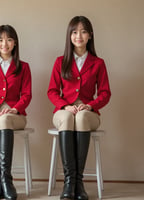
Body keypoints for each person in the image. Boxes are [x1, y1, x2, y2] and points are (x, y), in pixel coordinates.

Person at [47, 16, 111, 200]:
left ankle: (78, 182)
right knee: (67, 118)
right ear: (69, 36)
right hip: (63, 111)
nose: (78, 36)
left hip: (88, 113)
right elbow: (52, 91)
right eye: (74, 32)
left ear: (90, 35)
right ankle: (69, 183)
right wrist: (65, 106)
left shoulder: (98, 63)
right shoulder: (60, 62)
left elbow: (105, 93)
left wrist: (90, 105)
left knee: (81, 117)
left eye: (83, 31)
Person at [0, 25, 32, 200]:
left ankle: (6, 180)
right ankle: (0, 179)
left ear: (15, 43)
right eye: (0, 40)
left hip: (16, 115)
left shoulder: (23, 67)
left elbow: (26, 94)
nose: (5, 44)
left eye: (9, 39)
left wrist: (15, 109)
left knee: (4, 121)